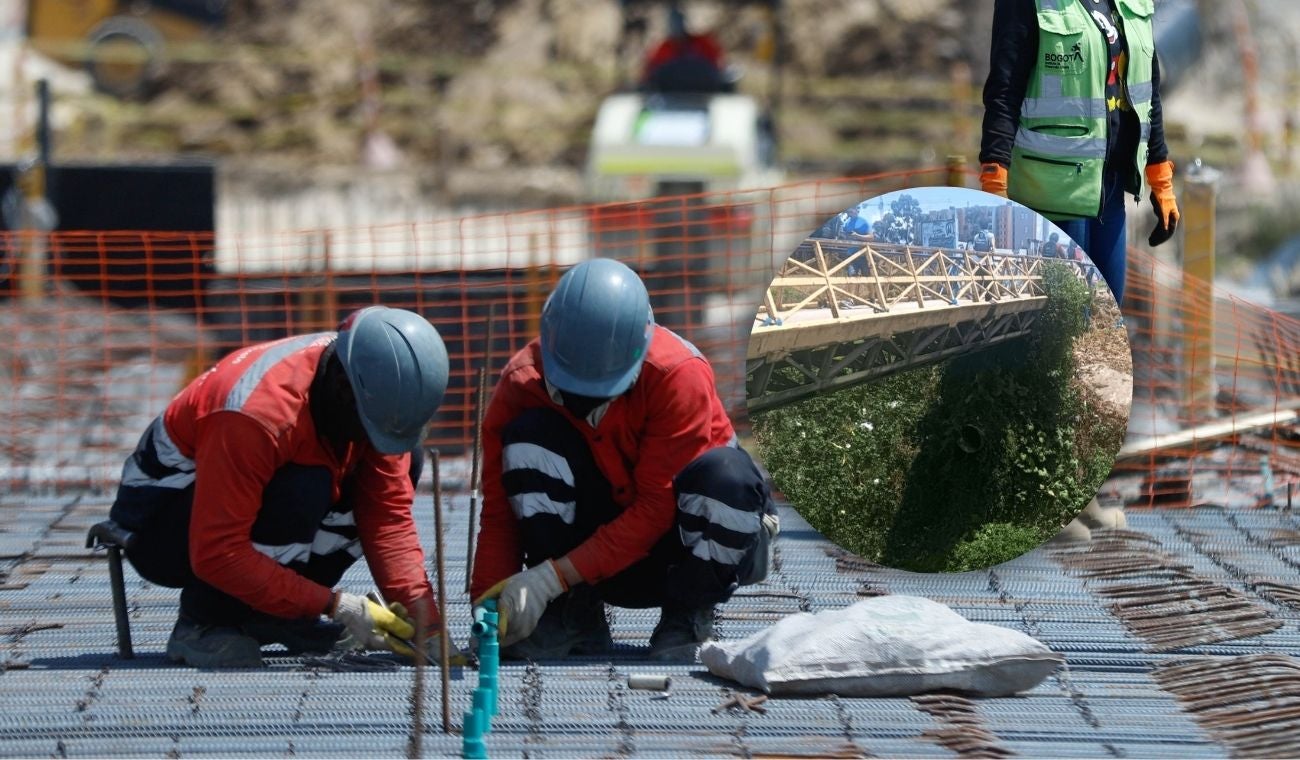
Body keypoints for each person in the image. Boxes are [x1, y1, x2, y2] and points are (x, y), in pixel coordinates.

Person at [107, 306, 451, 668]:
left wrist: (426, 622)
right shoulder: (255, 416)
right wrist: (334, 605)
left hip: (241, 510)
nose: (372, 440)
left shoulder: (378, 400)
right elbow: (217, 551)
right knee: (304, 484)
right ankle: (204, 621)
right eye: (369, 427)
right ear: (341, 387)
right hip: (161, 527)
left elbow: (387, 523)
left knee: (404, 457)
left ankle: (274, 615)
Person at [471, 258, 778, 662]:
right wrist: (489, 607)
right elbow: (500, 516)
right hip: (596, 555)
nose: (587, 402)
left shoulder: (676, 374)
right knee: (529, 441)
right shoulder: (522, 384)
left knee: (726, 479)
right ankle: (573, 617)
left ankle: (686, 615)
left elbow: (655, 508)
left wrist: (549, 578)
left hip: (676, 550)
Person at [979, 0, 1180, 305]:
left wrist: (1160, 177)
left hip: (1108, 193)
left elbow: (1147, 92)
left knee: (1108, 321)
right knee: (1064, 326)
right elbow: (1003, 95)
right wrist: (995, 188)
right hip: (1049, 198)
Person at [641, 6, 727, 93]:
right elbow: (651, 72)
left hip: (702, 93)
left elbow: (718, 65)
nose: (677, 27)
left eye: (679, 23)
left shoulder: (703, 43)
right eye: (673, 24)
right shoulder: (664, 47)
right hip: (671, 95)